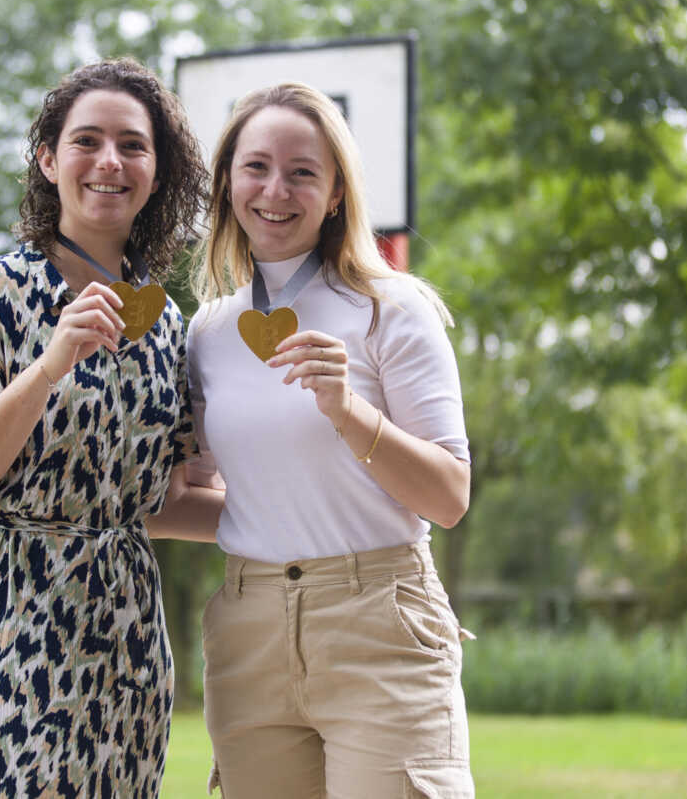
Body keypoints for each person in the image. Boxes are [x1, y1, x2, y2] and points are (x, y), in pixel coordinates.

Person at [0, 57, 221, 799]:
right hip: (13, 621)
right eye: (87, 140)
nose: (109, 161)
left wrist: (348, 526)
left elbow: (168, 502)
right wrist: (50, 364)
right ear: (49, 160)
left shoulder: (166, 321)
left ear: (157, 170)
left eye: (133, 145)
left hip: (127, 630)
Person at [175, 82, 475, 798]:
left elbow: (449, 496)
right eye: (256, 167)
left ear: (337, 192)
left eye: (303, 172)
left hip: (380, 622)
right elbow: (181, 501)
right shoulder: (207, 331)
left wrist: (348, 412)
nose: (275, 189)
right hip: (248, 630)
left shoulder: (391, 309)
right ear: (226, 182)